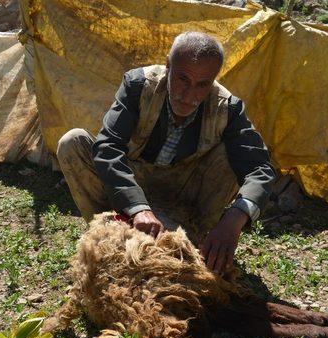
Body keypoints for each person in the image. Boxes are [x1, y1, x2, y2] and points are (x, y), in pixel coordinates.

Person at [57, 31, 277, 273]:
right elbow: (109, 145)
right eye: (182, 78)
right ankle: (107, 232)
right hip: (129, 195)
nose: (188, 95)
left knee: (232, 154)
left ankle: (193, 238)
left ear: (214, 79)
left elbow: (260, 169)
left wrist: (234, 219)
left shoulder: (228, 108)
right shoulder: (139, 85)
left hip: (186, 201)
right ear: (168, 65)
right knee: (73, 142)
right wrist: (138, 207)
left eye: (202, 84)